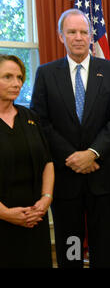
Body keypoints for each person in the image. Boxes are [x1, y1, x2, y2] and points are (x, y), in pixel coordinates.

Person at [30, 9, 110, 268]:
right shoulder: (46, 74)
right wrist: (73, 157)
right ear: (61, 36)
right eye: (71, 32)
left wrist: (92, 153)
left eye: (84, 32)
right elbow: (41, 122)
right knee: (70, 244)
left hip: (103, 176)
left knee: (103, 246)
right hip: (65, 177)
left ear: (91, 37)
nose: (78, 37)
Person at [0, 54, 54, 268]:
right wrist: (5, 213)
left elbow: (47, 162)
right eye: (8, 77)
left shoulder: (30, 117)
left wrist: (46, 198)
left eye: (20, 77)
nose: (16, 83)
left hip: (34, 217)